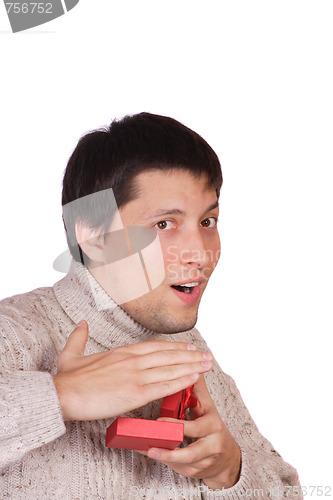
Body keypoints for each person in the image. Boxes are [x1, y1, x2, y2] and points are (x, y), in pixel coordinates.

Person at [0, 113, 301, 499]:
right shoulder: (13, 333)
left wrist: (229, 471)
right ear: (92, 236)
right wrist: (60, 396)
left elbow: (289, 490)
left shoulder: (192, 352)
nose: (200, 255)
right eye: (164, 225)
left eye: (208, 221)